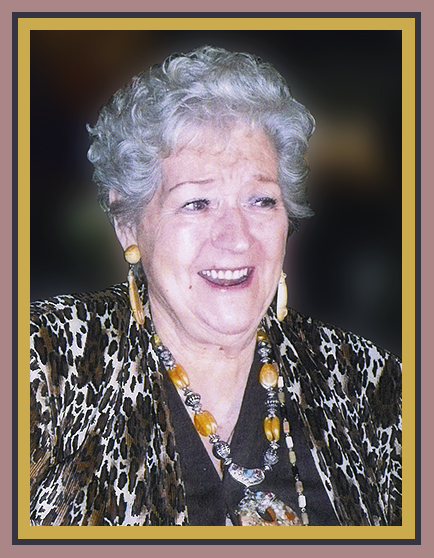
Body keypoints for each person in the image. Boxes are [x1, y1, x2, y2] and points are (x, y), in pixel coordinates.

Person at [30, 46, 402, 527]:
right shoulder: (44, 366)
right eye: (197, 203)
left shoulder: (370, 383)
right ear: (128, 224)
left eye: (261, 200)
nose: (237, 238)